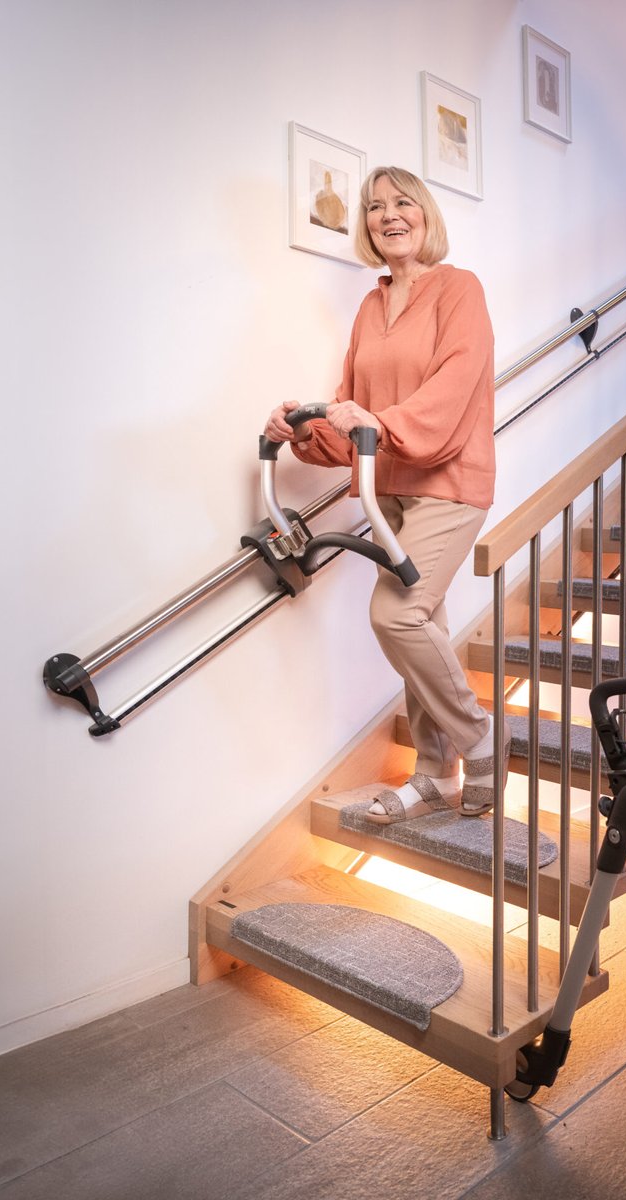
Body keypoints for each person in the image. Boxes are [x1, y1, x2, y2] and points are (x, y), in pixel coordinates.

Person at [265, 166, 496, 824]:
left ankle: (480, 737)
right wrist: (302, 429)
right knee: (424, 627)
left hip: (448, 481)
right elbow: (354, 408)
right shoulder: (372, 305)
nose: (388, 214)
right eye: (373, 207)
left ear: (425, 214)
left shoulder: (459, 289)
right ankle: (435, 774)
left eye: (402, 202)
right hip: (387, 488)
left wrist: (380, 424)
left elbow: (454, 385)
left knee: (396, 617)